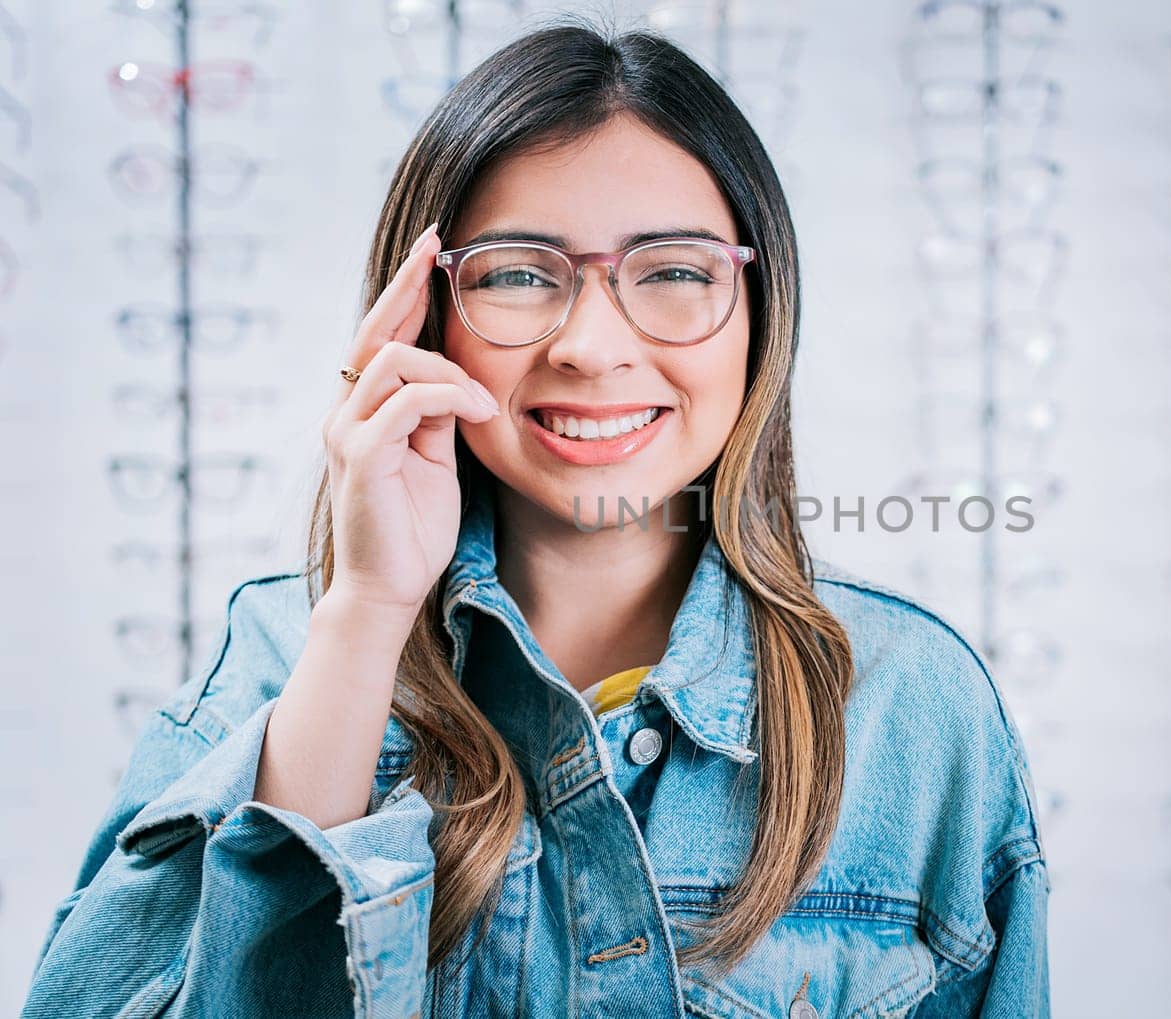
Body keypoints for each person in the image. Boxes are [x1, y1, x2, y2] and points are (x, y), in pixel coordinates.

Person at [24, 16, 1051, 1018]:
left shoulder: (912, 704)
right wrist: (370, 608)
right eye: (518, 274)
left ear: (758, 310)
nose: (592, 346)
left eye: (675, 271)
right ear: (422, 316)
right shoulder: (287, 656)